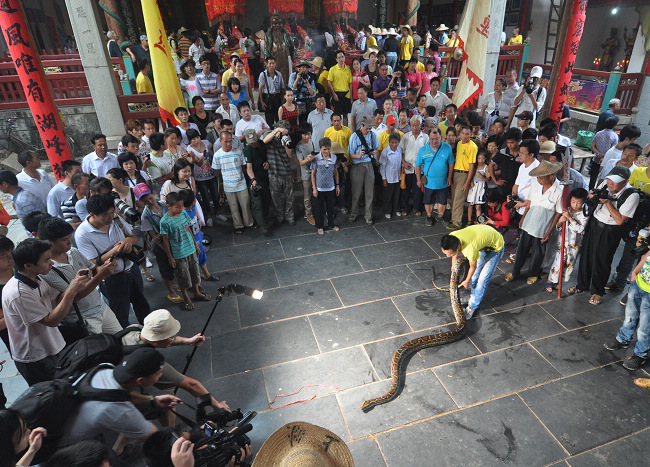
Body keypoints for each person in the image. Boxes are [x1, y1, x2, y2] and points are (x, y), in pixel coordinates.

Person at [2, 238, 90, 384]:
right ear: (28, 265)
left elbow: (55, 301)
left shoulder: (37, 279)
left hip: (53, 345)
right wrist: (71, 291)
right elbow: (51, 321)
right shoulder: (18, 293)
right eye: (46, 260)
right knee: (53, 396)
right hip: (36, 356)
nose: (52, 263)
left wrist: (75, 285)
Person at [58, 348, 180, 450]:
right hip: (61, 448)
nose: (160, 375)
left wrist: (153, 400)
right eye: (159, 373)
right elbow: (155, 438)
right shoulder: (120, 410)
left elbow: (120, 394)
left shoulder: (105, 369)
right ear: (141, 381)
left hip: (66, 419)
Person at [75, 194, 151, 326]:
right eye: (105, 215)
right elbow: (92, 263)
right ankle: (125, 341)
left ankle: (152, 334)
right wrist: (116, 250)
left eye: (112, 212)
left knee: (142, 305)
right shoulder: (83, 234)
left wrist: (128, 240)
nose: (110, 217)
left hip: (132, 270)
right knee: (120, 313)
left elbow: (133, 237)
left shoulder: (116, 219)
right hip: (112, 279)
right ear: (92, 214)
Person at [38, 217, 121, 335]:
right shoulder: (47, 270)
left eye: (69, 237)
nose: (69, 242)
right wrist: (100, 276)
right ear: (48, 243)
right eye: (64, 240)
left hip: (102, 308)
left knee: (122, 340)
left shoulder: (73, 252)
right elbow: (74, 296)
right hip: (84, 319)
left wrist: (104, 268)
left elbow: (94, 269)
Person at [571, 166, 640, 305]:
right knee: (586, 256)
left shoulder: (632, 195)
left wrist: (608, 202)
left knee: (602, 260)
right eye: (609, 179)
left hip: (610, 230)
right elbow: (594, 198)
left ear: (626, 181)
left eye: (614, 181)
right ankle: (582, 285)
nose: (610, 183)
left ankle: (598, 291)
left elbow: (620, 220)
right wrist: (592, 196)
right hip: (594, 223)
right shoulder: (605, 185)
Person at [506, 160, 564, 284]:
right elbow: (529, 203)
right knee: (522, 249)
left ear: (550, 176)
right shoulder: (535, 184)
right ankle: (515, 271)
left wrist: (549, 231)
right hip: (530, 221)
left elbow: (558, 212)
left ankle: (533, 273)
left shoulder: (559, 190)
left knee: (538, 252)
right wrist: (523, 218)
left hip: (543, 226)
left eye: (541, 177)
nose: (538, 179)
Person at [440, 225, 505, 318]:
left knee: (482, 279)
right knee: (475, 276)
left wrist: (466, 281)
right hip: (482, 243)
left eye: (450, 254)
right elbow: (455, 254)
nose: (447, 256)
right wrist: (453, 266)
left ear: (458, 247)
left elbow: (472, 267)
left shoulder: (469, 249)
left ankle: (472, 306)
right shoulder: (451, 238)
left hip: (496, 247)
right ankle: (473, 297)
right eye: (446, 254)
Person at [160, 192, 210, 310]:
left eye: (181, 206)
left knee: (195, 273)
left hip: (191, 249)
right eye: (177, 206)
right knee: (183, 277)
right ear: (169, 206)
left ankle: (197, 292)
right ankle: (186, 297)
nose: (181, 209)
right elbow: (165, 240)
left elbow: (189, 230)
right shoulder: (165, 222)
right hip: (179, 253)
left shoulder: (183, 214)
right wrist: (170, 257)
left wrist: (195, 245)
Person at [604, 248, 650, 371]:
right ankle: (623, 339)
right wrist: (635, 272)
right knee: (630, 316)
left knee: (644, 327)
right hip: (639, 284)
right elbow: (647, 255)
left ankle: (640, 354)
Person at [546, 188, 588, 292]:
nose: (575, 205)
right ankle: (550, 281)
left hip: (575, 243)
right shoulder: (566, 209)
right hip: (563, 241)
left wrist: (570, 218)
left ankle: (559, 281)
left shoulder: (585, 213)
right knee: (558, 261)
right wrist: (560, 221)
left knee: (569, 263)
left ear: (583, 202)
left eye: (579, 203)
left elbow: (580, 229)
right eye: (573, 202)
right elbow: (559, 227)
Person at [212, 131, 253, 234]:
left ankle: (249, 223)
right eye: (226, 142)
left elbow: (244, 167)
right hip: (228, 185)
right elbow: (217, 171)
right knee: (233, 207)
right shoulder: (217, 155)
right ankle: (238, 226)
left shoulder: (239, 152)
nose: (228, 144)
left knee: (245, 205)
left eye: (230, 141)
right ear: (220, 141)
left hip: (241, 183)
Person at [416, 127, 454, 226]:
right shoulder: (423, 150)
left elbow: (451, 163)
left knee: (442, 200)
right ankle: (429, 216)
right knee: (428, 201)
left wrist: (449, 177)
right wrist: (418, 179)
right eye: (432, 139)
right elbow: (417, 165)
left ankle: (440, 216)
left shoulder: (447, 147)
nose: (434, 141)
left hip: (443, 182)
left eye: (436, 139)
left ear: (441, 138)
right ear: (429, 138)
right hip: (429, 182)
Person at [262, 121, 296, 225]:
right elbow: (264, 141)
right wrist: (276, 131)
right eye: (282, 130)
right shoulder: (269, 135)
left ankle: (290, 217)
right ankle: (279, 216)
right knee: (276, 197)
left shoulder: (288, 138)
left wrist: (285, 144)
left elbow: (290, 155)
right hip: (274, 172)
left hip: (286, 172)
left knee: (289, 197)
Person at [347, 116, 379, 225]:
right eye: (367, 128)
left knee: (369, 192)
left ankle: (368, 215)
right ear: (362, 125)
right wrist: (358, 155)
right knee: (356, 192)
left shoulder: (373, 135)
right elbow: (351, 154)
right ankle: (354, 213)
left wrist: (373, 152)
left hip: (369, 164)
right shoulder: (354, 137)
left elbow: (376, 148)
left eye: (370, 128)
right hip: (357, 165)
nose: (368, 130)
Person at [448, 126, 478, 229]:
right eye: (463, 133)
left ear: (471, 134)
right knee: (454, 196)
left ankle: (457, 222)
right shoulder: (459, 143)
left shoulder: (473, 147)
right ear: (460, 134)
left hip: (464, 174)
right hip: (456, 172)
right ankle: (454, 218)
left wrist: (467, 181)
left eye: (467, 134)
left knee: (459, 198)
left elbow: (472, 166)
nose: (465, 136)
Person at [399, 115, 429, 216]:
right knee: (406, 190)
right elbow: (401, 151)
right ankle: (405, 208)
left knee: (418, 190)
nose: (415, 128)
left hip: (420, 169)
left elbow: (427, 153)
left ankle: (417, 208)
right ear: (410, 125)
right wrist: (404, 163)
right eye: (413, 125)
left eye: (417, 125)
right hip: (407, 168)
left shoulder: (425, 137)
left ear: (420, 125)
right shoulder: (406, 136)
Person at [243, 130, 272, 235]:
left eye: (254, 141)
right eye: (251, 142)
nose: (253, 144)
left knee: (267, 199)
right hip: (255, 179)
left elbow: (267, 158)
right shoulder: (248, 150)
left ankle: (264, 218)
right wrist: (253, 180)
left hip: (265, 177)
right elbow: (248, 168)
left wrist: (267, 163)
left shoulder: (263, 144)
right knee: (257, 203)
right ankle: (261, 226)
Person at [310, 138, 340, 235]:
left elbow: (336, 172)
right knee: (319, 209)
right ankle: (320, 226)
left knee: (330, 208)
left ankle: (331, 224)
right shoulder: (316, 159)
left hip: (331, 187)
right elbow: (313, 174)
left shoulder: (334, 158)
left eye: (328, 149)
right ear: (320, 148)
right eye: (324, 149)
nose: (326, 152)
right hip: (319, 188)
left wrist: (337, 185)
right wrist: (314, 188)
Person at [511, 137, 540, 215]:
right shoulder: (522, 166)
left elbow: (538, 194)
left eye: (522, 153)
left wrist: (523, 204)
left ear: (531, 155)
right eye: (519, 151)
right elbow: (516, 185)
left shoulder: (537, 169)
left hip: (529, 209)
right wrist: (512, 197)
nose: (519, 155)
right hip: (519, 207)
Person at [590, 116, 619, 190]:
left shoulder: (599, 133)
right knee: (603, 178)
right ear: (615, 125)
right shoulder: (614, 136)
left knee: (593, 177)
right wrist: (604, 157)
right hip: (606, 161)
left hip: (596, 158)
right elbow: (613, 149)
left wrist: (599, 153)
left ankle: (590, 191)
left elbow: (592, 146)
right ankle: (597, 192)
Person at [380, 133, 403, 219]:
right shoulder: (385, 152)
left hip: (397, 176)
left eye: (396, 142)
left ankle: (396, 209)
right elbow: (383, 166)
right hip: (389, 178)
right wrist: (384, 179)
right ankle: (387, 211)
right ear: (389, 142)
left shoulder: (399, 150)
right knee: (388, 196)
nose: (394, 144)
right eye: (392, 142)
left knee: (397, 195)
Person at [296, 127, 315, 225]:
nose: (307, 136)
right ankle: (308, 214)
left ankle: (313, 211)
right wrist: (307, 159)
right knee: (307, 195)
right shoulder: (299, 147)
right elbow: (301, 163)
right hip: (306, 174)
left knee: (315, 193)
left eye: (308, 134)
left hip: (314, 172)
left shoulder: (312, 142)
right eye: (305, 135)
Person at [328, 50, 352, 126]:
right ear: (336, 59)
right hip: (337, 95)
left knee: (346, 115)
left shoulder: (348, 68)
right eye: (339, 58)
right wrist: (334, 94)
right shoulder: (333, 69)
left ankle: (346, 130)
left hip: (346, 95)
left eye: (342, 57)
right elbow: (329, 83)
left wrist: (351, 96)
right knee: (337, 116)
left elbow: (350, 83)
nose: (341, 59)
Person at [258, 56, 285, 125]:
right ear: (266, 64)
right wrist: (262, 102)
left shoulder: (279, 74)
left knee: (279, 118)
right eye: (270, 64)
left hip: (277, 98)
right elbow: (260, 89)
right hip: (268, 99)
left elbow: (282, 87)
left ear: (275, 64)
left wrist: (283, 99)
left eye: (273, 63)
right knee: (269, 120)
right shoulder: (263, 75)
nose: (271, 65)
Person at [467, 148, 489, 224]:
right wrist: (470, 181)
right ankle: (469, 220)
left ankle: (478, 220)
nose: (480, 160)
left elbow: (487, 179)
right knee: (470, 204)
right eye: (479, 158)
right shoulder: (474, 166)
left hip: (480, 186)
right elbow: (470, 174)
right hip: (473, 186)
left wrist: (481, 177)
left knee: (478, 206)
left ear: (485, 158)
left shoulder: (486, 167)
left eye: (482, 158)